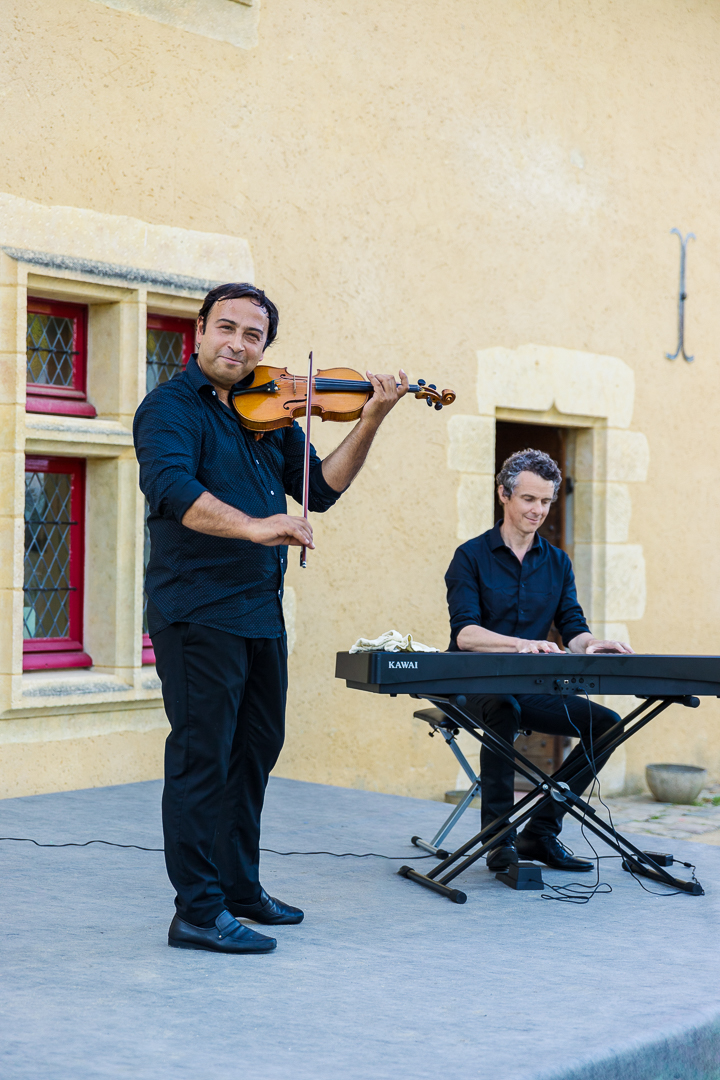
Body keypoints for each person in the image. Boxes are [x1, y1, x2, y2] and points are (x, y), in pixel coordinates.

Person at [134, 282, 409, 954]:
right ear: (198, 331)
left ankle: (239, 889)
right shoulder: (168, 409)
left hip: (260, 613)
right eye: (225, 328)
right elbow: (175, 492)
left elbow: (323, 488)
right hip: (197, 611)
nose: (236, 343)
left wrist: (371, 418)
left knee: (253, 752)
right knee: (203, 759)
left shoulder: (271, 417)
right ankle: (197, 912)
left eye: (252, 335)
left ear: (265, 346)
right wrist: (258, 528)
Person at [445, 447, 633, 873]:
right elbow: (466, 634)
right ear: (504, 495)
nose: (538, 510)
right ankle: (499, 842)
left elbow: (572, 626)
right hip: (471, 684)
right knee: (503, 708)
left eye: (546, 501)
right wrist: (519, 644)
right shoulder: (470, 557)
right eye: (529, 499)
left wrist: (593, 643)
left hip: (529, 685)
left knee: (605, 724)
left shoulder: (557, 562)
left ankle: (541, 830)